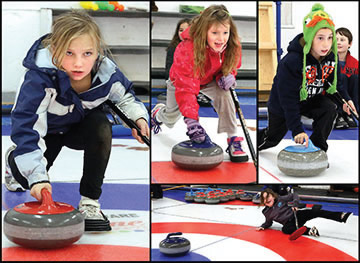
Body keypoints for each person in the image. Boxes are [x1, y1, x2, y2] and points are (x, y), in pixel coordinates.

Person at [4, 10, 149, 230]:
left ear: (97, 51)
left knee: (101, 125)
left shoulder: (106, 73)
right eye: (69, 53)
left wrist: (137, 118)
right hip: (47, 132)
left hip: (78, 130)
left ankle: (90, 201)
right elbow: (27, 125)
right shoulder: (38, 78)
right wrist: (37, 177)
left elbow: (125, 97)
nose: (79, 63)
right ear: (55, 49)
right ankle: (12, 159)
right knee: (28, 180)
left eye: (87, 53)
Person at [151, 4, 249, 162]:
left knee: (226, 95)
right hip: (181, 81)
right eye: (215, 33)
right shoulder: (187, 49)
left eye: (225, 32)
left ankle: (233, 140)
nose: (221, 38)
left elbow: (232, 62)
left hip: (210, 79)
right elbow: (186, 88)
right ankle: (158, 114)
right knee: (171, 116)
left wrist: (229, 74)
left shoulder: (232, 44)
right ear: (205, 31)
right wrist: (192, 121)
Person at [258, 3, 357, 153]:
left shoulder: (331, 56)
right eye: (320, 38)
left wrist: (345, 100)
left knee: (329, 108)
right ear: (310, 37)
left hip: (309, 100)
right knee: (271, 139)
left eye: (330, 38)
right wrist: (297, 130)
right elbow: (288, 99)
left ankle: (318, 148)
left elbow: (333, 84)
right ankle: (256, 140)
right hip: (283, 104)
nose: (326, 44)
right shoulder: (291, 61)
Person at [256, 188, 352, 237]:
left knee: (315, 212)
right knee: (285, 230)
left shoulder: (281, 199)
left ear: (273, 196)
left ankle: (340, 216)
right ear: (262, 201)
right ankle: (309, 231)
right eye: (264, 198)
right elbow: (268, 222)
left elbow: (294, 195)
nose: (267, 199)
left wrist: (295, 204)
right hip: (289, 223)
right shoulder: (266, 212)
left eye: (268, 196)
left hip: (296, 215)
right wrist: (263, 226)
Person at [334, 27, 358, 128]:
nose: (338, 42)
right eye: (336, 40)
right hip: (335, 97)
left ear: (350, 44)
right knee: (341, 77)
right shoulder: (328, 61)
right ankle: (339, 115)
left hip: (350, 99)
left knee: (355, 78)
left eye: (342, 40)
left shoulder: (354, 63)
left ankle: (352, 114)